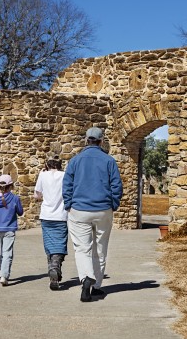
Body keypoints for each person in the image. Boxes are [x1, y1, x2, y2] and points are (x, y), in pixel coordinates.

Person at [63, 127, 123, 302]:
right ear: (101, 141)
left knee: (82, 248)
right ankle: (96, 285)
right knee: (100, 248)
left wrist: (68, 204)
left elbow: (67, 185)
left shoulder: (75, 161)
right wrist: (113, 204)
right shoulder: (109, 161)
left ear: (86, 140)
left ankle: (86, 278)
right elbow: (116, 186)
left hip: (79, 210)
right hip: (103, 209)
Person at [34, 155, 68, 290]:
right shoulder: (65, 175)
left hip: (46, 215)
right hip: (61, 215)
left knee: (49, 243)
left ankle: (53, 268)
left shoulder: (43, 175)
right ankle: (56, 266)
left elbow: (37, 195)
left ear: (47, 165)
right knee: (60, 242)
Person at [0, 174, 24, 286]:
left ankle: (2, 272)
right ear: (11, 185)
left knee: (1, 252)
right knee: (7, 253)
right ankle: (4, 275)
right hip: (9, 229)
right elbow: (20, 212)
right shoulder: (15, 198)